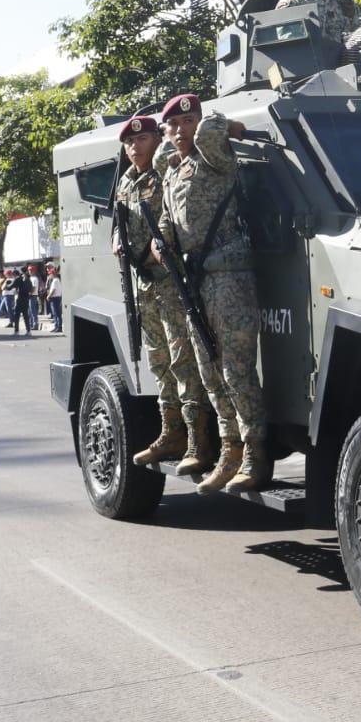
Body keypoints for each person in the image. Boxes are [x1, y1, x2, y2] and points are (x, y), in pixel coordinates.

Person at [155, 92, 268, 494]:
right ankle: (229, 451)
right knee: (210, 372)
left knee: (236, 370)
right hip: (196, 279)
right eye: (173, 124)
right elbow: (167, 218)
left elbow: (209, 130)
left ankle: (254, 455)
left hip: (229, 275)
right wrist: (161, 240)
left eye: (189, 121)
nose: (181, 130)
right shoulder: (173, 172)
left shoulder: (213, 157)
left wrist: (221, 123)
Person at [112, 116, 214, 470]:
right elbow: (121, 220)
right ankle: (171, 433)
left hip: (171, 280)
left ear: (157, 140)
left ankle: (198, 440)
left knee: (182, 359)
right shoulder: (126, 180)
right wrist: (117, 237)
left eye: (142, 139)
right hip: (144, 282)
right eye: (129, 142)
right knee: (159, 360)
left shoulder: (165, 172)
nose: (134, 147)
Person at [9, 267, 31, 335]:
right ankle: (28, 331)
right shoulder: (28, 279)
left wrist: (6, 285)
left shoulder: (18, 278)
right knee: (25, 315)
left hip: (19, 298)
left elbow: (10, 287)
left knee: (17, 315)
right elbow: (31, 289)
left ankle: (16, 331)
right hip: (26, 299)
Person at [45, 263, 63, 334]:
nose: (50, 275)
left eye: (51, 274)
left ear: (53, 274)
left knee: (57, 313)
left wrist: (48, 296)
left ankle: (59, 327)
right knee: (55, 313)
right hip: (55, 298)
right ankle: (56, 326)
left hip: (55, 298)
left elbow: (53, 290)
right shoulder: (55, 280)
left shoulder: (55, 280)